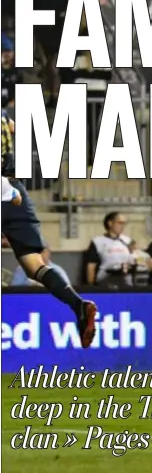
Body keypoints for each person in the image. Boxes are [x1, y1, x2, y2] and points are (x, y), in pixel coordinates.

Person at [1, 112, 96, 348]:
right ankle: (78, 305)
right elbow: (15, 129)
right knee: (35, 266)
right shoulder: (4, 117)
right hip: (14, 188)